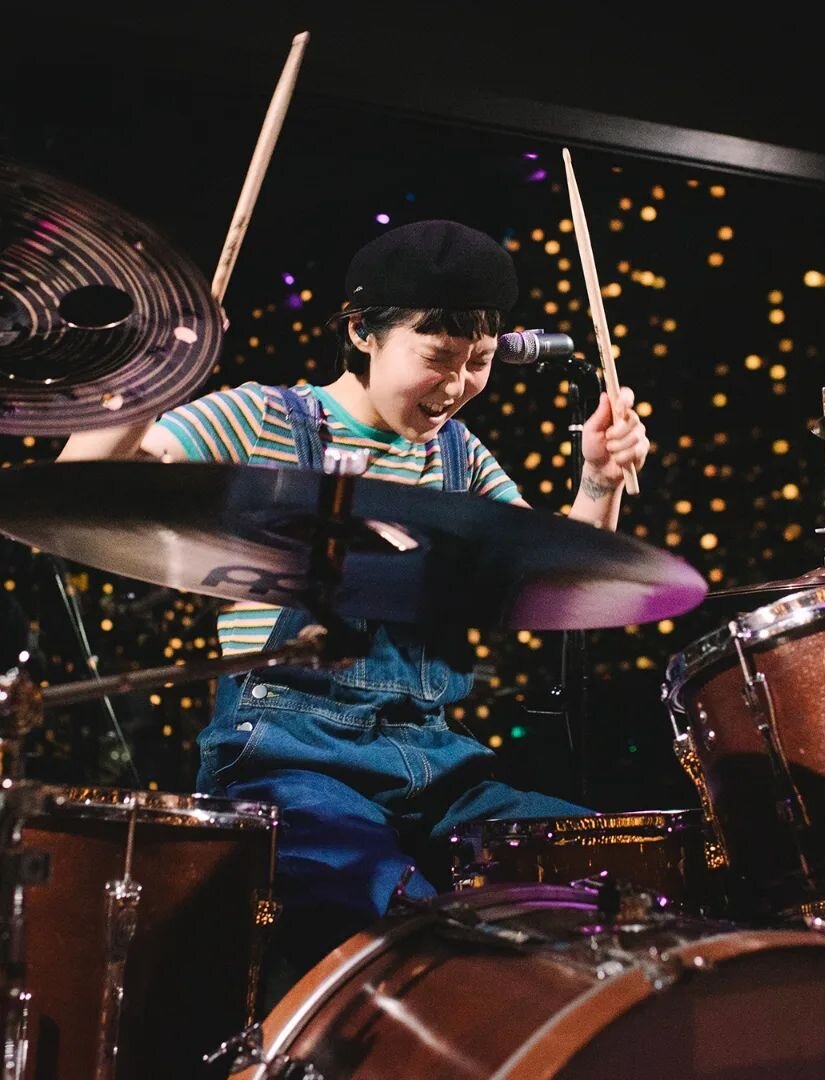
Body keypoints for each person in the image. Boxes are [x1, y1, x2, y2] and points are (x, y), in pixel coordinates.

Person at [59, 219, 649, 998]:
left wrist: (597, 486)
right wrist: (156, 371)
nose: (457, 385)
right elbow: (83, 487)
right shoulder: (262, 417)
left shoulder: (459, 455)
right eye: (436, 359)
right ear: (363, 332)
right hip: (289, 759)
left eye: (477, 363)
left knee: (598, 877)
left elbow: (553, 587)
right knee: (386, 906)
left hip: (439, 763)